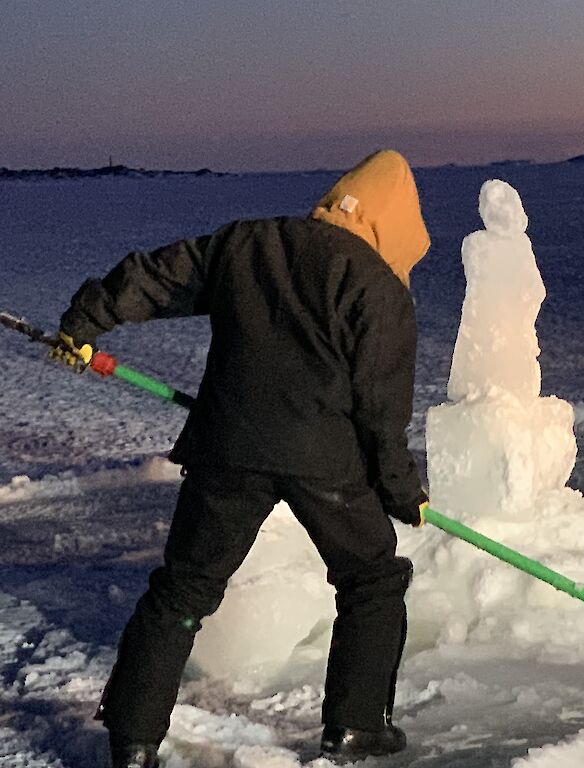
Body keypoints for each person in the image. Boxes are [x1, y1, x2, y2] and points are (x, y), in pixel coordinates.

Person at [50, 150, 432, 767]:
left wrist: (86, 320)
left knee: (182, 591)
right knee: (373, 580)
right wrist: (399, 490)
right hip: (326, 463)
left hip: (227, 449)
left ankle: (133, 737)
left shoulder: (247, 243)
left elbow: (159, 276)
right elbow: (381, 412)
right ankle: (357, 725)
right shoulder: (378, 287)